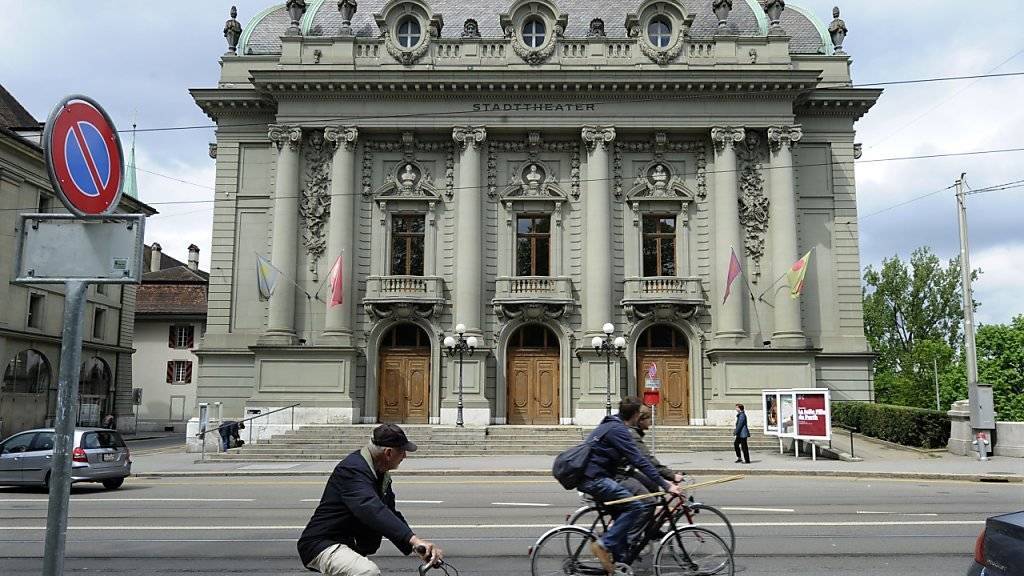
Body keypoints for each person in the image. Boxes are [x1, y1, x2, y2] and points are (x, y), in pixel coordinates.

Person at [297, 424, 442, 576]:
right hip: (323, 544)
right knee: (367, 572)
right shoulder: (353, 469)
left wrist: (415, 546)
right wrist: (413, 540)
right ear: (388, 453)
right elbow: (371, 508)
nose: (405, 456)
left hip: (347, 544)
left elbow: (389, 512)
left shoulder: (380, 473)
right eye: (402, 451)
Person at [579, 397, 682, 575]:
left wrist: (661, 481)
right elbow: (641, 461)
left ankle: (620, 559)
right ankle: (605, 544)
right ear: (635, 415)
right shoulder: (620, 431)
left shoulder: (612, 423)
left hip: (597, 475)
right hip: (597, 478)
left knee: (635, 503)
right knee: (640, 504)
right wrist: (666, 484)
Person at [615, 405, 686, 545]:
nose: (651, 422)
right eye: (649, 419)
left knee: (653, 486)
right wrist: (671, 477)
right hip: (619, 474)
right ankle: (630, 539)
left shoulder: (633, 432)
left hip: (626, 470)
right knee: (649, 502)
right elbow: (647, 461)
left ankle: (649, 529)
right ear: (640, 419)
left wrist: (664, 479)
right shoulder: (632, 435)